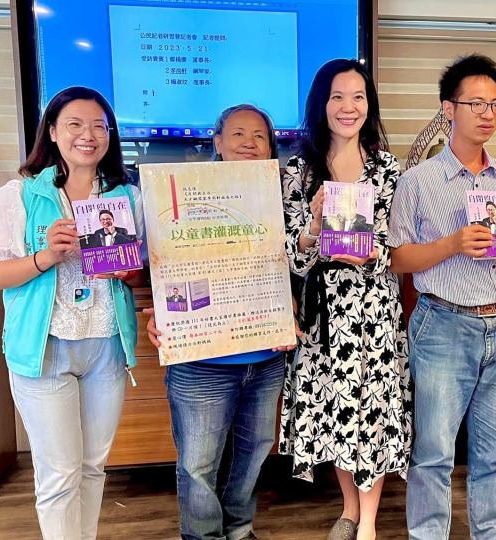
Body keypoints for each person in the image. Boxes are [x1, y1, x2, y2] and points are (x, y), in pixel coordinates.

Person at [0, 86, 145, 539]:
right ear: (52, 131)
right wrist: (45, 256)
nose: (88, 135)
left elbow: (140, 271)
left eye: (99, 126)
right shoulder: (21, 195)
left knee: (91, 466)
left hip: (107, 348)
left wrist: (129, 273)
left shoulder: (127, 198)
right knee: (59, 473)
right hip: (44, 350)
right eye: (75, 124)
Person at [388, 54, 496, 540]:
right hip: (444, 324)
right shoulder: (417, 180)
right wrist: (452, 243)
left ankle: (491, 533)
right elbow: (397, 258)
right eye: (476, 103)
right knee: (433, 452)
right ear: (448, 109)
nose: (487, 114)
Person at [144, 104, 298, 540]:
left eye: (260, 136)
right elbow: (164, 261)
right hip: (200, 359)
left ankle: (239, 528)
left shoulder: (283, 199)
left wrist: (290, 298)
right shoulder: (182, 193)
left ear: (271, 146)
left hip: (265, 355)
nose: (250, 143)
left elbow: (297, 264)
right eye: (238, 134)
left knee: (254, 452)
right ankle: (203, 536)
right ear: (217, 142)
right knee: (198, 464)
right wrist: (164, 308)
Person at [279, 58, 411, 540]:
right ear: (322, 104)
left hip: (374, 311)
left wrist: (372, 256)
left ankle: (368, 521)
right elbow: (293, 259)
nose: (348, 107)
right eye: (337, 96)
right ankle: (349, 509)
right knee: (336, 410)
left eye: (358, 97)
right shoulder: (298, 171)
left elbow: (399, 248)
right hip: (322, 314)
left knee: (372, 411)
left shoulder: (388, 170)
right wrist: (315, 227)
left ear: (369, 105)